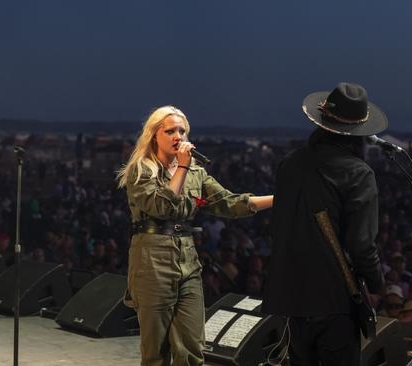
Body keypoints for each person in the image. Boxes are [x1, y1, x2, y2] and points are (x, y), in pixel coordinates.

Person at [116, 105, 273, 366]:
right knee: (155, 351)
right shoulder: (141, 171)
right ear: (154, 135)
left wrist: (280, 199)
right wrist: (183, 168)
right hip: (152, 262)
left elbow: (230, 203)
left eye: (182, 131)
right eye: (170, 131)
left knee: (191, 347)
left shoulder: (195, 173)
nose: (178, 136)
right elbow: (162, 206)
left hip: (187, 261)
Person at [262, 82, 387, 366]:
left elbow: (279, 227)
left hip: (292, 295)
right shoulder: (358, 172)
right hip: (335, 298)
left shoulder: (290, 164)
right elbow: (362, 244)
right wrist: (379, 285)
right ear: (359, 132)